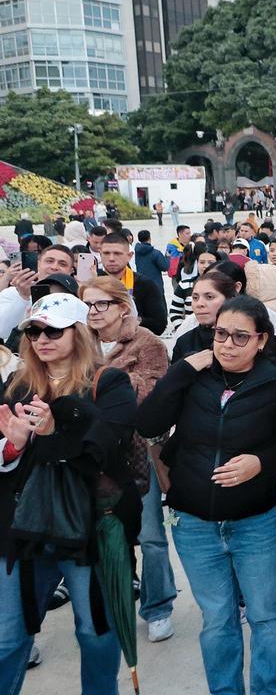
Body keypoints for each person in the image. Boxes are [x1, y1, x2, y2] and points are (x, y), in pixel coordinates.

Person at [136, 296, 276, 695]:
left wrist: (260, 463)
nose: (226, 344)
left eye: (240, 337)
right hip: (193, 523)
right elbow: (148, 422)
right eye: (220, 334)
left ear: (261, 340)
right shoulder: (193, 373)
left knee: (266, 616)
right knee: (218, 619)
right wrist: (180, 371)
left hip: (256, 520)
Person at [0, 295, 139, 695]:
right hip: (26, 527)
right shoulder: (18, 384)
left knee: (94, 632)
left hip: (89, 527)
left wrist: (52, 433)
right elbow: (8, 454)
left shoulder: (107, 382)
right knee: (8, 636)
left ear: (77, 333)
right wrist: (14, 447)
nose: (42, 339)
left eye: (53, 330)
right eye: (34, 330)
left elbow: (106, 450)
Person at [79, 277, 177, 643]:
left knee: (150, 534)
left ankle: (158, 606)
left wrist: (103, 384)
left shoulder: (147, 343)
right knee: (106, 534)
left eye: (100, 304)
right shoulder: (78, 342)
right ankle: (114, 601)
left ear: (122, 307)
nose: (93, 312)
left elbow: (151, 395)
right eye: (88, 305)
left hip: (138, 451)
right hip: (92, 452)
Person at [98, 233, 168, 335]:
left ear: (129, 256)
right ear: (100, 254)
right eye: (106, 253)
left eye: (117, 253)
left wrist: (134, 320)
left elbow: (159, 326)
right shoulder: (93, 284)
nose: (111, 258)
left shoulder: (146, 285)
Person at [169, 246, 221, 332]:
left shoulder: (223, 286)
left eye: (210, 262)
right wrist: (183, 330)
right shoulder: (184, 285)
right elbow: (175, 312)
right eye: (202, 262)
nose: (205, 266)